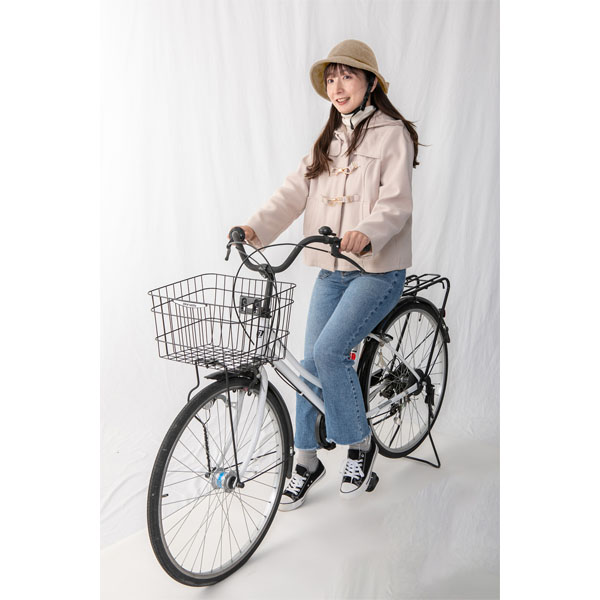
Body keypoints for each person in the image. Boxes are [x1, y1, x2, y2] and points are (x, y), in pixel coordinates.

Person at [233, 39, 420, 510]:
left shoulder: (393, 133)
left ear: (370, 83)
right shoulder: (328, 140)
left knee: (331, 351)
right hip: (332, 273)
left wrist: (366, 232)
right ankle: (305, 460)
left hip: (377, 270)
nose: (338, 87)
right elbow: (292, 193)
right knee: (309, 365)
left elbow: (396, 202)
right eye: (332, 78)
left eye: (347, 76)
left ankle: (359, 443)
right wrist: (255, 228)